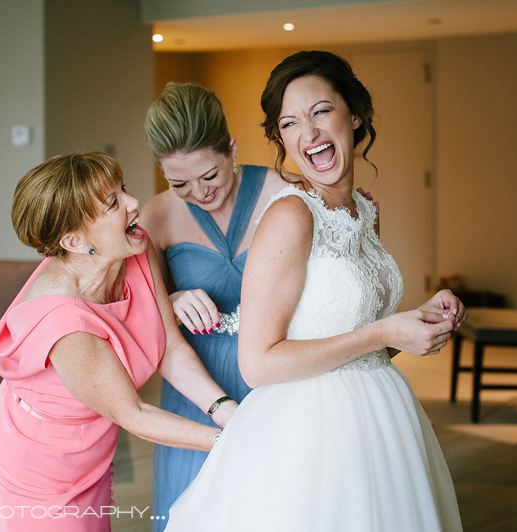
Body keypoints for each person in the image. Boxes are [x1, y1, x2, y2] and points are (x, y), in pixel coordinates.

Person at [165, 51, 467, 531]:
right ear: (281, 138)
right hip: (311, 434)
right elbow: (258, 364)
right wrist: (383, 331)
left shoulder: (365, 213)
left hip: (381, 419)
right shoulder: (291, 216)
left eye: (321, 111)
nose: (308, 133)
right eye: (289, 123)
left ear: (355, 114)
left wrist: (415, 324)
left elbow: (355, 345)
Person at [0, 152, 238, 532]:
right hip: (33, 469)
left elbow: (170, 347)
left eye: (123, 189)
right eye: (113, 203)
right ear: (75, 241)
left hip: (91, 450)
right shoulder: (65, 323)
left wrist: (224, 409)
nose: (133, 203)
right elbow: (134, 414)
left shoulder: (133, 247)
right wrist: (232, 440)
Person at [138, 82, 290, 528]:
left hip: (274, 381)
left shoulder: (285, 194)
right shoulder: (158, 216)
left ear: (231, 149)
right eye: (179, 182)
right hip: (196, 388)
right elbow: (146, 313)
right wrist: (172, 296)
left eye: (210, 176)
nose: (200, 193)